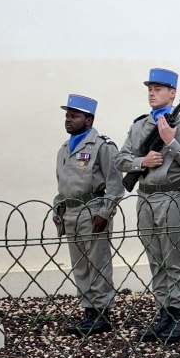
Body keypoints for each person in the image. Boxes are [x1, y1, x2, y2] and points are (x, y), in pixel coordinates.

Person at [115, 68, 180, 343]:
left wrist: (171, 143)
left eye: (158, 89)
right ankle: (164, 313)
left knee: (174, 259)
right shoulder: (139, 125)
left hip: (171, 196)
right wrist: (141, 162)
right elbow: (120, 159)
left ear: (172, 93)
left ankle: (179, 317)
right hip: (145, 197)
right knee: (156, 260)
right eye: (150, 89)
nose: (152, 93)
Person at [52, 94, 125, 336]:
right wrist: (58, 211)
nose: (68, 120)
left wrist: (106, 212)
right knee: (80, 266)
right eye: (67, 116)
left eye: (74, 116)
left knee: (97, 263)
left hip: (93, 211)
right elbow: (62, 185)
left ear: (89, 120)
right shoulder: (64, 148)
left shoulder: (103, 146)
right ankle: (88, 311)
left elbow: (115, 184)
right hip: (71, 212)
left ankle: (102, 313)